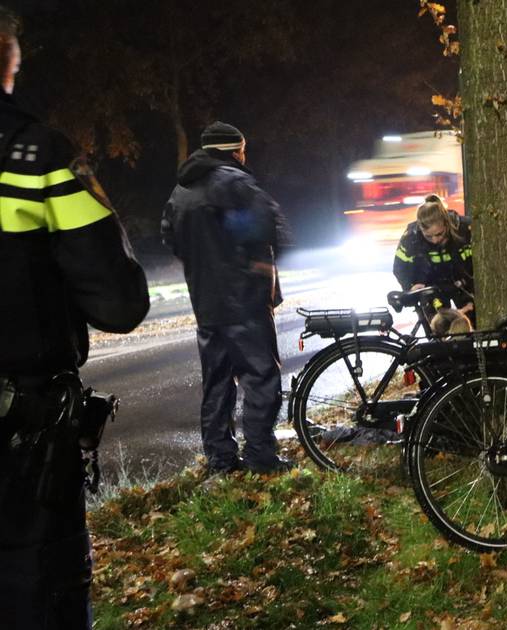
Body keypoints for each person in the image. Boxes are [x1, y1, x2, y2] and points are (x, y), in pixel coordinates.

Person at [0, 5, 150, 624]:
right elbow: (120, 303)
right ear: (8, 55)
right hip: (21, 445)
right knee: (39, 592)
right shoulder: (33, 154)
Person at [162, 121, 293, 474]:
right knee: (261, 376)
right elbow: (271, 225)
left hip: (206, 304)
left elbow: (170, 239)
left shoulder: (181, 190)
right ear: (235, 150)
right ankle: (261, 456)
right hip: (246, 301)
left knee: (216, 382)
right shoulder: (236, 184)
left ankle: (220, 459)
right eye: (242, 150)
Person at [393, 195, 475, 324]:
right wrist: (410, 286)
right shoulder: (411, 237)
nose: (435, 240)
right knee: (439, 331)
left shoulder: (464, 229)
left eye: (439, 234)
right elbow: (400, 267)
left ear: (446, 223)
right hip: (431, 290)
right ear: (420, 228)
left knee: (474, 326)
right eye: (428, 236)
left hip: (463, 286)